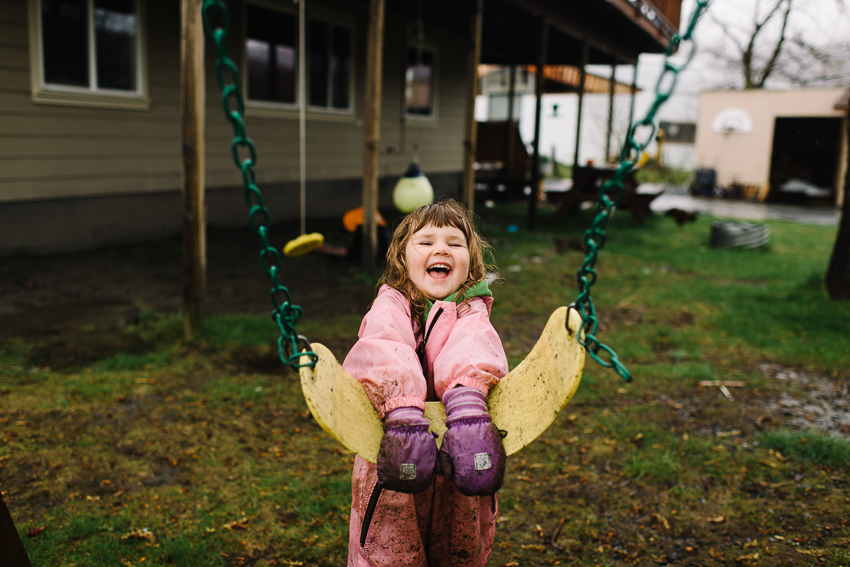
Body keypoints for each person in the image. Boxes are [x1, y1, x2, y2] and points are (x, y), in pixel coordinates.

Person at [343, 199, 509, 567]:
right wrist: (401, 409)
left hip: (460, 453)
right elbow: (383, 346)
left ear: (471, 260)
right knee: (389, 550)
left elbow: (472, 347)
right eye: (426, 242)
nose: (441, 249)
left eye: (454, 243)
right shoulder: (391, 304)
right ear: (402, 258)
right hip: (396, 451)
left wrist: (468, 408)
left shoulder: (471, 309)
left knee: (458, 550)